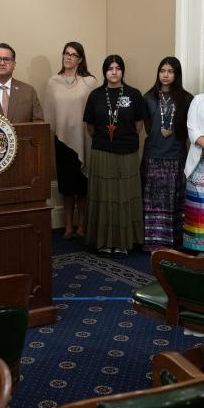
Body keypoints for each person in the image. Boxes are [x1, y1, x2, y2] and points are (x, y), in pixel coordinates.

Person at [83, 55, 144, 258]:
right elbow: (90, 127)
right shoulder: (96, 95)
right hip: (102, 151)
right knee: (104, 196)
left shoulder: (134, 94)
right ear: (105, 71)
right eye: (110, 68)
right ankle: (103, 242)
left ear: (123, 71)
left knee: (124, 196)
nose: (114, 72)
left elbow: (138, 126)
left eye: (118, 68)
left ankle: (123, 242)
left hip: (127, 152)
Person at [43, 42, 97, 239]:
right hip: (61, 140)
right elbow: (49, 115)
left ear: (80, 59)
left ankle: (82, 225)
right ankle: (67, 226)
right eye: (66, 53)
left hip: (84, 139)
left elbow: (95, 112)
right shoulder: (53, 82)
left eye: (73, 55)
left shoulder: (89, 82)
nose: (69, 57)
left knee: (82, 186)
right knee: (66, 187)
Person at [141, 57, 192, 252]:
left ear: (176, 74)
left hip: (176, 156)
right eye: (162, 70)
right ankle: (154, 241)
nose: (165, 75)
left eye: (170, 71)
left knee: (174, 200)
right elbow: (145, 126)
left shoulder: (187, 98)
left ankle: (175, 242)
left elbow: (189, 128)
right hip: (154, 156)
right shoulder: (148, 97)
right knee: (154, 200)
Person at [0, 42, 43, 122]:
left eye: (7, 59)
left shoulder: (28, 91)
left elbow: (39, 123)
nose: (2, 63)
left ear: (14, 65)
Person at [183, 89, 204, 253]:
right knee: (201, 210)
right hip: (200, 164)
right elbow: (192, 129)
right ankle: (202, 251)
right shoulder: (199, 100)